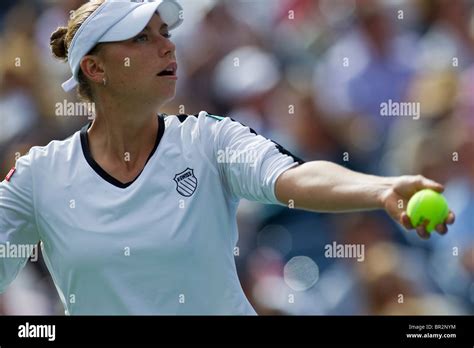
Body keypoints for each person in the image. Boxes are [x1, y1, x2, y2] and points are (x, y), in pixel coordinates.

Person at [0, 0, 455, 315]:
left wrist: (379, 188)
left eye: (165, 32)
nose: (167, 45)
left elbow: (295, 179)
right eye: (141, 38)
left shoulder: (210, 139)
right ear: (95, 69)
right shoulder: (39, 176)